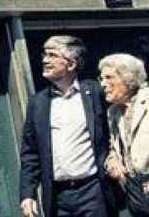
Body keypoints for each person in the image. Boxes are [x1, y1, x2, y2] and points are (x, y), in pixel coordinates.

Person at [19, 35, 119, 217]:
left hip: (93, 192)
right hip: (58, 198)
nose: (44, 60)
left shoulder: (95, 92)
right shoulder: (38, 103)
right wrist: (28, 194)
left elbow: (119, 122)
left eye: (51, 55)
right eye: (44, 54)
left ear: (71, 64)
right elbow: (30, 153)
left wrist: (116, 157)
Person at [99, 53, 149, 216]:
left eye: (109, 78)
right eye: (101, 79)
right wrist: (112, 161)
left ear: (128, 78)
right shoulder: (113, 111)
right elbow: (115, 148)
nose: (103, 84)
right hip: (136, 193)